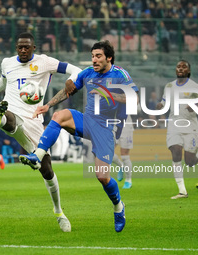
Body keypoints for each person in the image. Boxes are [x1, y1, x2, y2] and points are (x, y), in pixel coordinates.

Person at [0, 32, 82, 232]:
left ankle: (58, 212)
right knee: (10, 120)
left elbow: (75, 69)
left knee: (47, 170)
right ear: (16, 48)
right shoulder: (7, 63)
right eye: (20, 47)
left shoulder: (44, 62)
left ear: (33, 48)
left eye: (27, 47)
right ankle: (0, 118)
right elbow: (3, 82)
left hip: (35, 120)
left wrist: (72, 79)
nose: (23, 50)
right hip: (13, 112)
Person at [20, 40, 139, 232]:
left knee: (102, 177)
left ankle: (118, 207)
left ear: (109, 57)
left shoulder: (120, 74)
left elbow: (134, 98)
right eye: (92, 56)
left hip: (106, 128)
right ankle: (38, 155)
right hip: (87, 120)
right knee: (59, 116)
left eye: (98, 56)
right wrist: (47, 106)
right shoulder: (88, 74)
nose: (94, 60)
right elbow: (68, 91)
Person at [156, 60, 198, 199]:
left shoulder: (195, 87)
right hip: (174, 125)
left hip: (191, 127)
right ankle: (182, 191)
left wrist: (196, 107)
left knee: (190, 162)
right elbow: (165, 102)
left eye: (184, 67)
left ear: (188, 71)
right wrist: (161, 105)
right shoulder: (169, 86)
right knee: (176, 151)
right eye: (178, 66)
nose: (180, 68)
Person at [113, 115, 134, 189]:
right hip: (111, 122)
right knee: (108, 152)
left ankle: (128, 180)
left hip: (126, 124)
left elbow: (136, 106)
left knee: (124, 154)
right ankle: (121, 166)